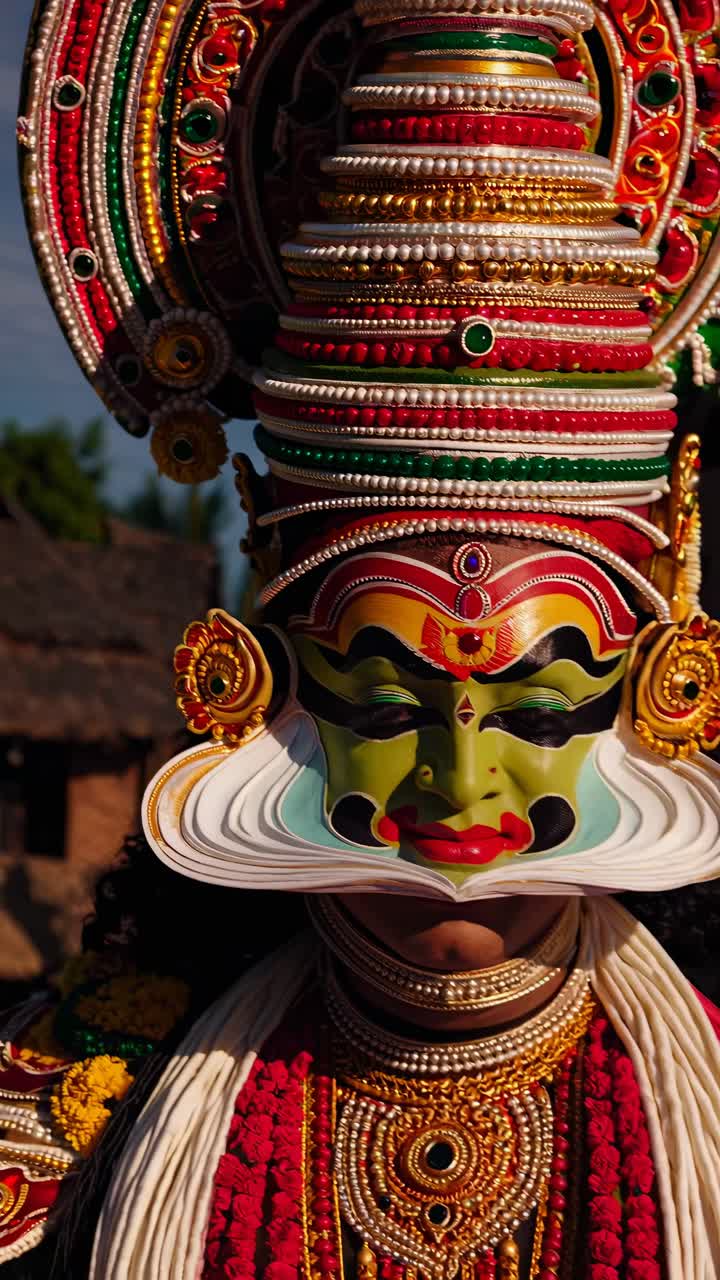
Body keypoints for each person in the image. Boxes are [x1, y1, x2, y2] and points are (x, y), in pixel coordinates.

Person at [5, 0, 720, 1273]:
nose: (463, 795)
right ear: (262, 684)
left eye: (543, 710)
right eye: (385, 707)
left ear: (658, 689)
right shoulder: (59, 1124)